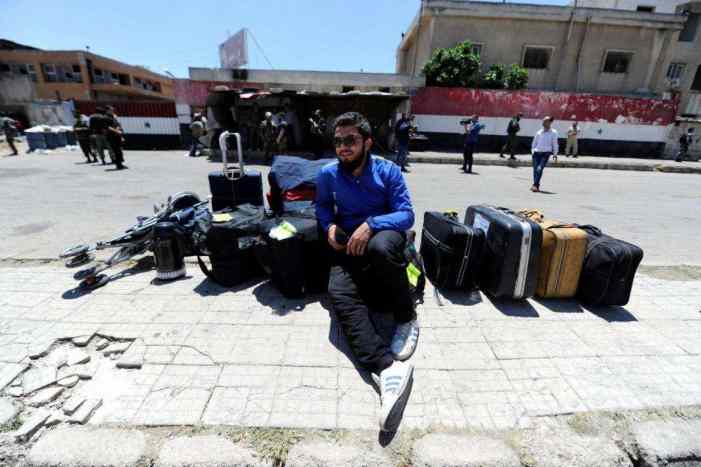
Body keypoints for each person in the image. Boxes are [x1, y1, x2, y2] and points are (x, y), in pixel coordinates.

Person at [316, 112, 418, 432]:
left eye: (350, 140)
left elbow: (406, 215)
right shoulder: (328, 175)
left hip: (384, 239)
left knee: (380, 247)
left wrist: (372, 224)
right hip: (349, 246)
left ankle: (406, 317)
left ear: (367, 143)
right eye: (338, 141)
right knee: (338, 293)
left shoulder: (388, 171)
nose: (343, 147)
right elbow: (321, 207)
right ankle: (387, 369)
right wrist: (329, 225)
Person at [531, 116, 559, 192]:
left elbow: (555, 144)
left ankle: (536, 185)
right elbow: (534, 143)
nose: (543, 122)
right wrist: (533, 152)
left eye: (545, 121)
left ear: (549, 122)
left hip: (545, 154)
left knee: (539, 169)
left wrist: (555, 154)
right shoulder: (539, 132)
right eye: (543, 121)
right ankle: (535, 185)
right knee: (535, 170)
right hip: (536, 153)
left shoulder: (554, 132)